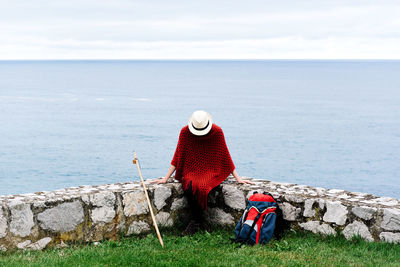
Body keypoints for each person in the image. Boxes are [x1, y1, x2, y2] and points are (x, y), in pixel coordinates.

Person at [150, 110, 254, 235]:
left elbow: (225, 155)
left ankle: (194, 222)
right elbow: (178, 156)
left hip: (211, 169)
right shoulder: (185, 132)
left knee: (203, 186)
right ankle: (200, 222)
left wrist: (238, 178)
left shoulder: (217, 132)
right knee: (189, 186)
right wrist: (166, 178)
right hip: (191, 170)